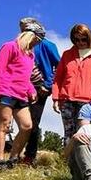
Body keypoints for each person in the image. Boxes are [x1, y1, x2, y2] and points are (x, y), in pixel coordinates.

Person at [0, 22, 44, 169]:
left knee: (27, 126)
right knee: (4, 125)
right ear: (30, 36)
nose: (37, 43)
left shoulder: (30, 55)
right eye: (37, 40)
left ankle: (13, 158)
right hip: (5, 91)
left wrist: (31, 90)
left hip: (21, 94)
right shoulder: (9, 46)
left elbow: (25, 76)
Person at [53, 23, 91, 141]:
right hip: (66, 100)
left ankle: (83, 154)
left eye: (84, 39)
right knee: (68, 133)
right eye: (77, 39)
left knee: (84, 133)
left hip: (87, 101)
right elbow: (58, 78)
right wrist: (56, 98)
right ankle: (67, 154)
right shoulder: (67, 54)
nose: (80, 42)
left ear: (89, 38)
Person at [20, 17, 60, 164]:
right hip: (21, 87)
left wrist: (48, 85)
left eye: (26, 28)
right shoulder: (20, 45)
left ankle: (30, 156)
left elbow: (60, 66)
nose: (24, 32)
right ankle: (17, 151)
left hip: (39, 87)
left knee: (33, 121)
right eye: (22, 29)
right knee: (22, 120)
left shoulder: (47, 45)